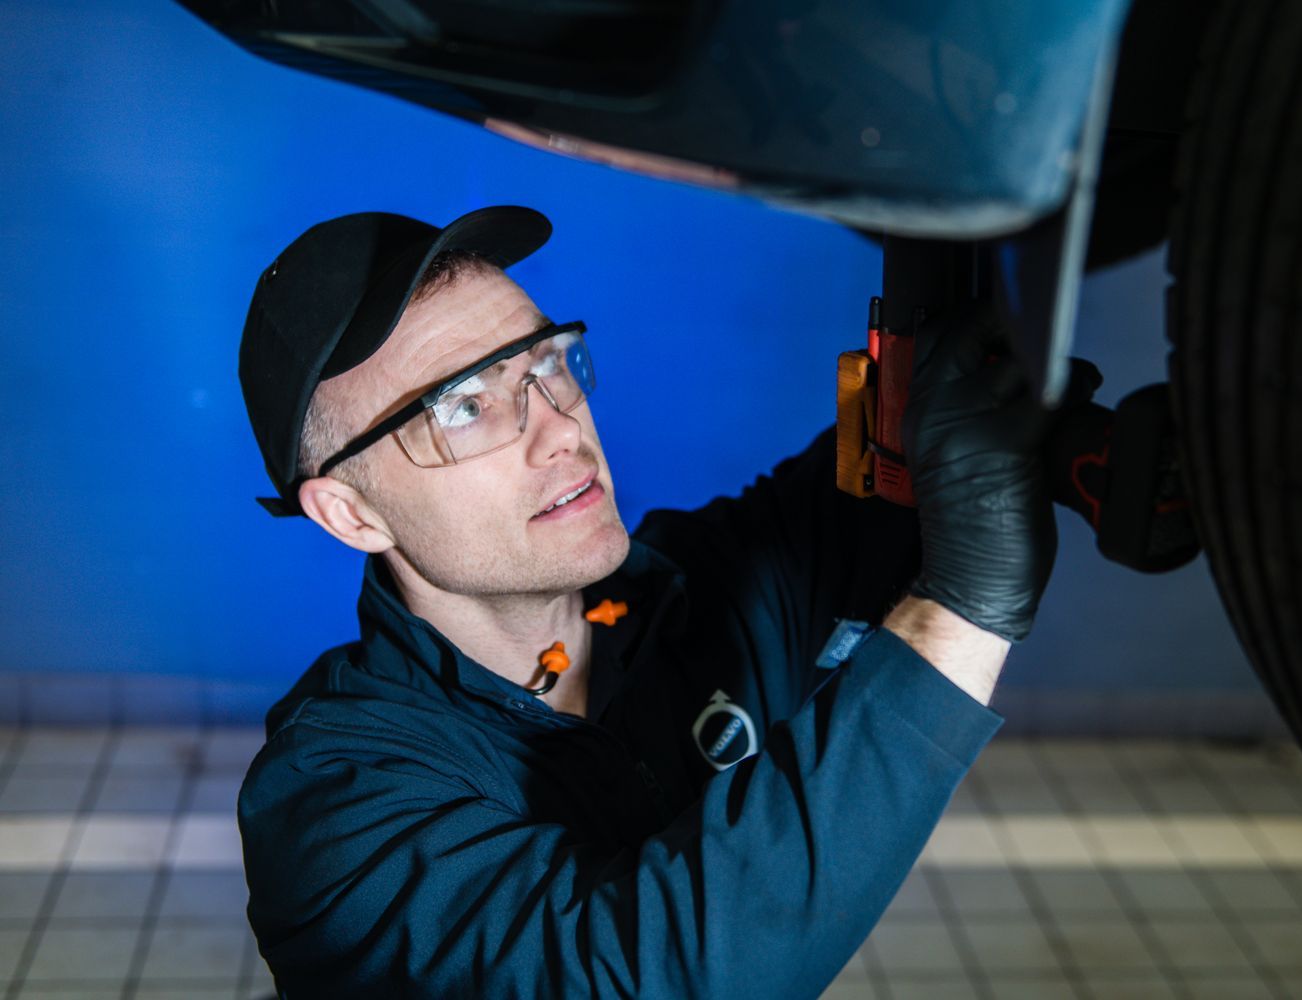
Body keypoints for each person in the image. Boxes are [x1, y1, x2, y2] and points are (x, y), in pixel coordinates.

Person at [236, 205, 1068, 998]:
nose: (561, 429)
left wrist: (1048, 429)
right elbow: (638, 978)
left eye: (545, 365)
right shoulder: (333, 802)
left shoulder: (699, 586)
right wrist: (963, 605)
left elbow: (912, 476)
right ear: (352, 513)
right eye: (464, 408)